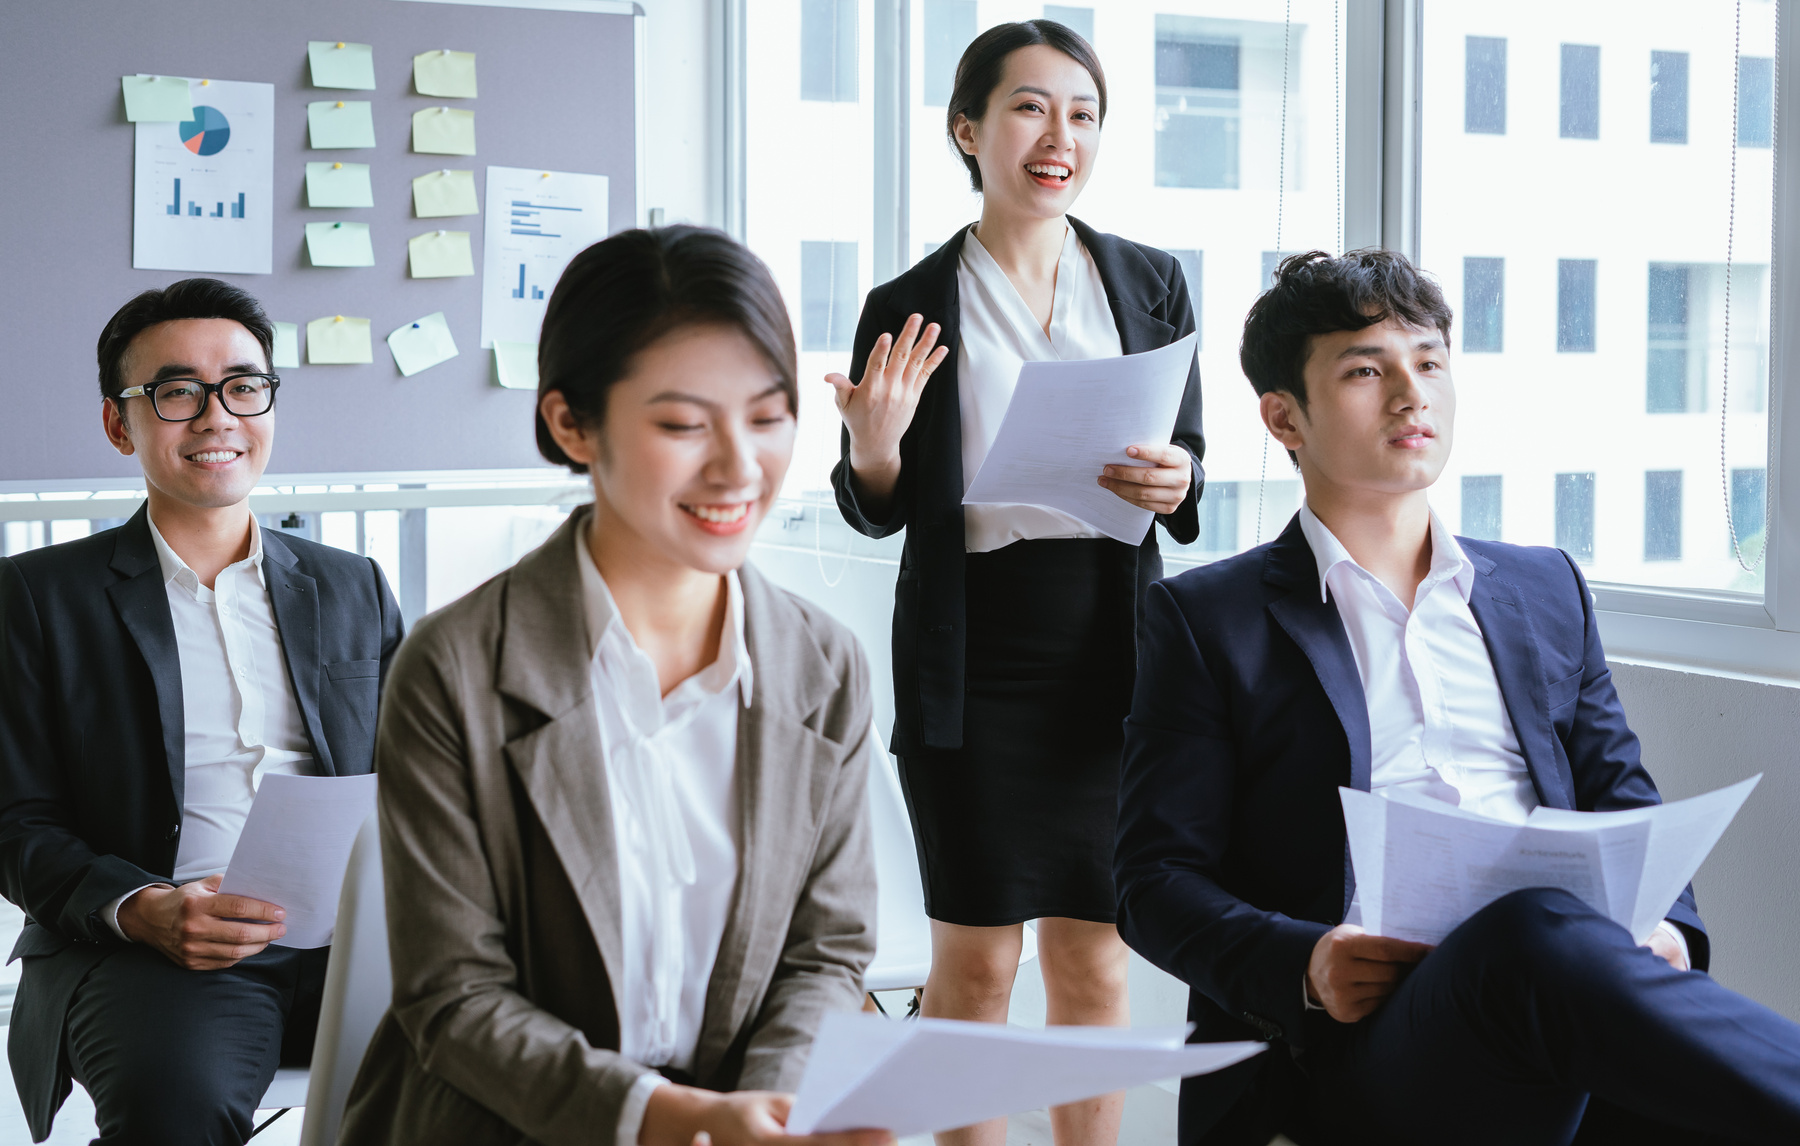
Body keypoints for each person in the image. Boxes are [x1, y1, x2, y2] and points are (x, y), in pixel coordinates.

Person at [1114, 248, 1800, 1146]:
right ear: (1284, 417)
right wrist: (1311, 964)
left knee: (1549, 948)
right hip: (1351, 1046)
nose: (1412, 394)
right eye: (1367, 369)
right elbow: (1152, 882)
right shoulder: (1209, 619)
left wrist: (1668, 933)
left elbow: (1623, 801)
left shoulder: (1544, 588)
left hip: (1559, 997)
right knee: (1528, 937)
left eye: (1430, 361)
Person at [337, 226, 889, 1146]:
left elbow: (824, 954)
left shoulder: (824, 666)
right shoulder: (454, 667)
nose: (739, 467)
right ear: (571, 424)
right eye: (682, 425)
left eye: (767, 416)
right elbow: (453, 998)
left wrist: (770, 1113)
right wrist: (666, 1121)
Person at [829, 20, 1204, 1146]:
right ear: (968, 129)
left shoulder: (1148, 280)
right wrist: (876, 447)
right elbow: (878, 500)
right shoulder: (910, 297)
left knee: (1095, 954)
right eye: (1032, 108)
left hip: (1115, 650)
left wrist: (1176, 477)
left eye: (1082, 115)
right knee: (979, 956)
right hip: (974, 654)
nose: (1060, 137)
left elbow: (1186, 482)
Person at [0, 278, 404, 1145]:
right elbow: (15, 825)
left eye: (244, 387)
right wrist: (144, 907)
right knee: (171, 1102)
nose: (218, 417)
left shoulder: (352, 584)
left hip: (363, 938)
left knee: (525, 1058)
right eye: (178, 392)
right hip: (160, 949)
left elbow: (421, 779)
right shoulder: (36, 596)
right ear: (121, 423)